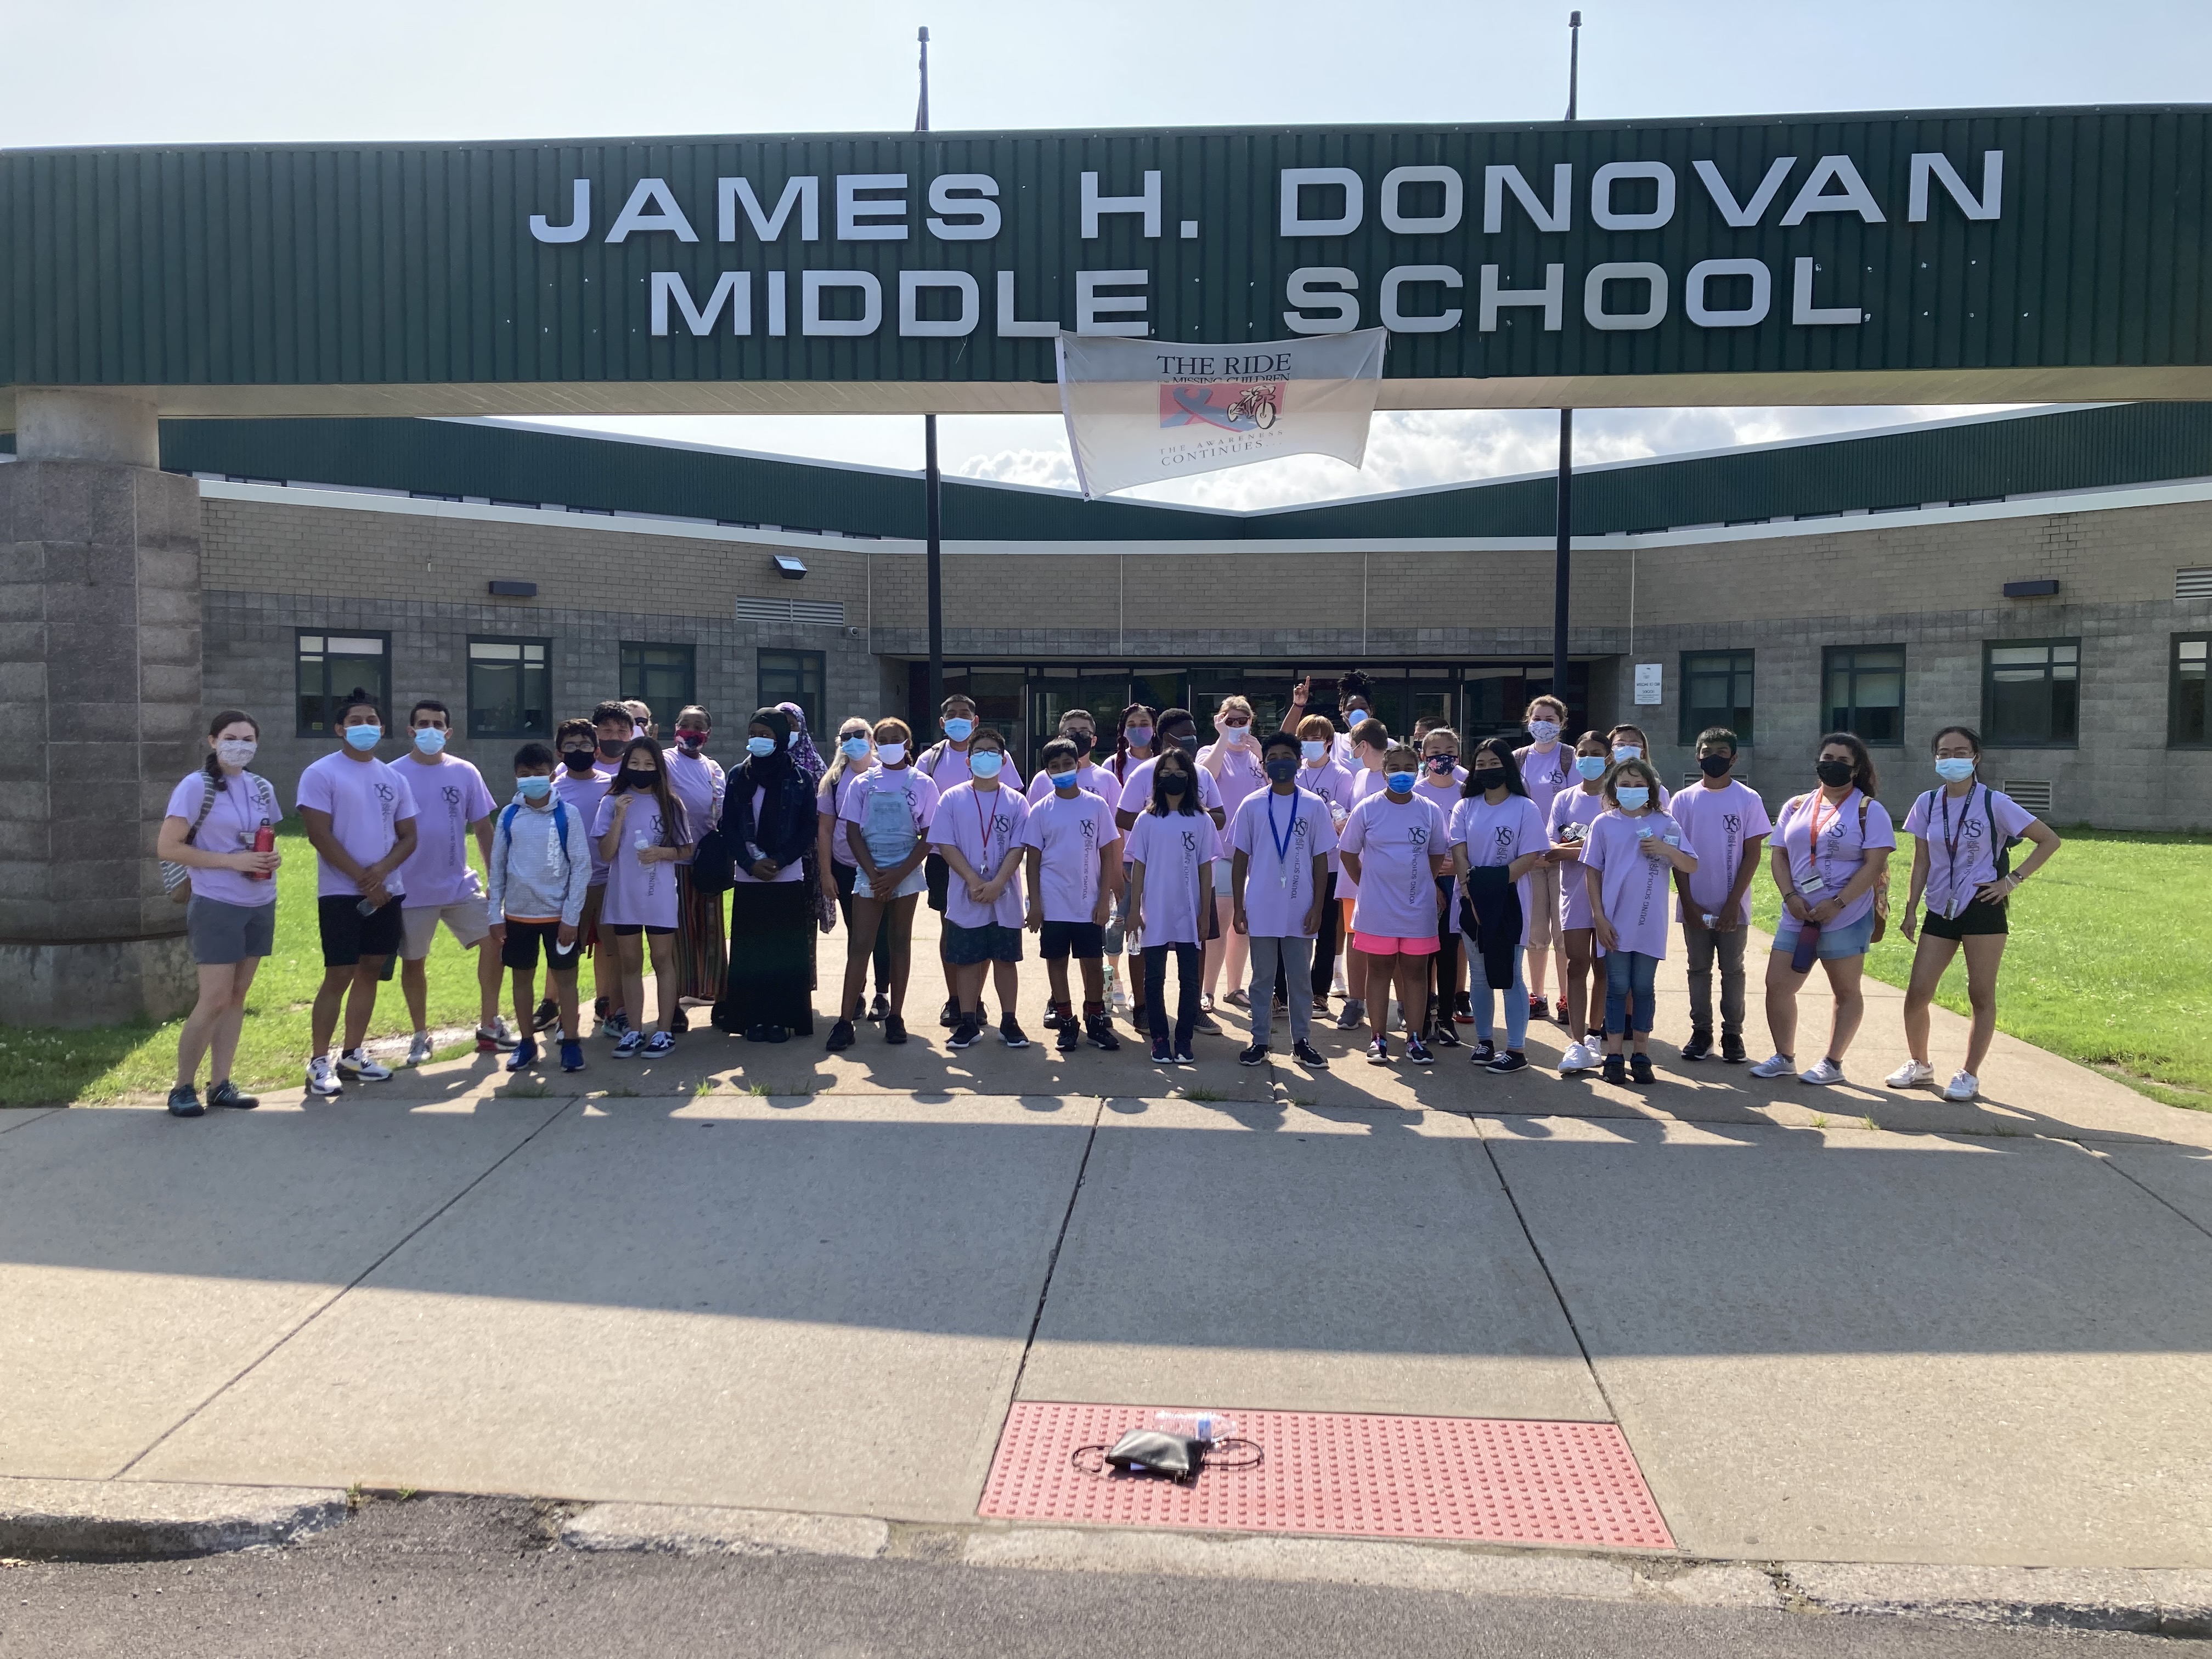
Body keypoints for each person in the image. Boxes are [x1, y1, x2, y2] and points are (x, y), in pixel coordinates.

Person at [1888, 725, 2063, 1102]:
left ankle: (1969, 1074)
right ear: (1935, 759)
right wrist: (1910, 908)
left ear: (1976, 758)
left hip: (1982, 907)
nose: (1953, 759)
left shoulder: (1994, 802)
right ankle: (1920, 1065)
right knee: (1918, 992)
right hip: (1940, 909)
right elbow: (1921, 861)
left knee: (1980, 994)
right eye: (1944, 753)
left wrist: (2011, 881)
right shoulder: (1928, 803)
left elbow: (2049, 839)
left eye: (1961, 752)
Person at [1752, 733, 1897, 1086]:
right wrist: (1790, 897)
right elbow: (1779, 854)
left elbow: (1874, 864)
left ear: (1857, 768)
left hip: (1845, 915)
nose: (1833, 764)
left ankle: (1833, 1062)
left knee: (1845, 990)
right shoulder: (1796, 806)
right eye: (1827, 757)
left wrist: (1838, 903)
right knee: (1777, 984)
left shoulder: (1868, 809)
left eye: (1843, 761)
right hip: (1798, 913)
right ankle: (1784, 1056)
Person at [157, 710, 283, 1116]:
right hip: (216, 902)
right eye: (232, 737)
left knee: (236, 996)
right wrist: (233, 862)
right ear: (213, 741)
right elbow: (169, 847)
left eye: (248, 739)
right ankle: (182, 1087)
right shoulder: (196, 787)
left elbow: (265, 838)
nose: (240, 745)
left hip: (259, 902)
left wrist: (269, 858)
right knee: (213, 998)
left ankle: (222, 1083)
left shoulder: (262, 787)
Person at [297, 695, 419, 1097]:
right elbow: (319, 834)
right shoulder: (321, 773)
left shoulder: (394, 778)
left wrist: (382, 873)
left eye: (371, 720)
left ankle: (352, 1054)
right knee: (339, 973)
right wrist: (363, 880)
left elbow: (409, 836)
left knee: (370, 970)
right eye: (355, 720)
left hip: (388, 893)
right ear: (340, 728)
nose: (364, 725)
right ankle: (318, 1061)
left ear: (382, 729)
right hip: (340, 893)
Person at [393, 698, 509, 1066]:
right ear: (411, 731)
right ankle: (420, 1035)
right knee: (414, 962)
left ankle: (489, 1025)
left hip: (459, 885)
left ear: (449, 731)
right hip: (410, 890)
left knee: (496, 941)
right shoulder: (392, 774)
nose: (431, 730)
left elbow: (483, 827)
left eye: (437, 724)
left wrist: (496, 879)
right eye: (423, 724)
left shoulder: (465, 772)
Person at [1579, 758, 1699, 1086]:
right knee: (1617, 986)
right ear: (1614, 789)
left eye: (1638, 784)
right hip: (1614, 921)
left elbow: (1690, 865)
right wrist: (1598, 917)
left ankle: (1642, 1054)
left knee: (1644, 987)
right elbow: (1592, 871)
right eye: (1625, 785)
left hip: (1650, 921)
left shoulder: (1665, 823)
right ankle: (1614, 1054)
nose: (1632, 790)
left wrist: (1665, 849)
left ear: (1651, 788)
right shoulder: (1604, 824)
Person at [826, 717, 938, 1048]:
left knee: (900, 942)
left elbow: (929, 835)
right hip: (869, 871)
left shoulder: (923, 783)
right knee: (860, 944)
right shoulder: (862, 783)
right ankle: (845, 1021)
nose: (890, 743)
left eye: (896, 738)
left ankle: (896, 1017)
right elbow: (851, 831)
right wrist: (874, 874)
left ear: (908, 743)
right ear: (875, 743)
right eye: (883, 738)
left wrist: (899, 874)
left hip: (906, 871)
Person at [710, 708, 819, 1043]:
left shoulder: (801, 777)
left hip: (787, 876)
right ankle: (752, 1018)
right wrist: (748, 862)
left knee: (784, 951)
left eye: (767, 734)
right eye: (754, 732)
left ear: (782, 739)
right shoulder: (737, 776)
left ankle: (780, 1019)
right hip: (748, 876)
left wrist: (782, 859)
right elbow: (727, 826)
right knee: (751, 951)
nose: (759, 739)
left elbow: (808, 828)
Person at [1338, 742, 1451, 1064]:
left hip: (1418, 909)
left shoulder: (1429, 809)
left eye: (1408, 767)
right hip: (1377, 909)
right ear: (1384, 771)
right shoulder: (1368, 808)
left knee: (1416, 972)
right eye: (1395, 768)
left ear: (1418, 770)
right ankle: (1378, 1038)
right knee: (1379, 971)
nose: (1402, 773)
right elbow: (1348, 852)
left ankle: (1415, 1038)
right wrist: (1367, 883)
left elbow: (1436, 853)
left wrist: (1420, 885)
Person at [1229, 730, 1334, 1068]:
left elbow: (1321, 860)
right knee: (1262, 977)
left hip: (1300, 906)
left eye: (1286, 757)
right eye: (1272, 759)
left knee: (1300, 977)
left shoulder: (1313, 805)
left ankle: (1302, 1041)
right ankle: (1260, 1040)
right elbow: (1240, 858)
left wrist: (1318, 906)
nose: (1279, 764)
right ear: (1263, 765)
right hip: (1260, 904)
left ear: (1299, 759)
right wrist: (1238, 907)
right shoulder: (1253, 803)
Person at [487, 742, 592, 1074]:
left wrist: (571, 918)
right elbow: (498, 867)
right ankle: (527, 1043)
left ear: (552, 774)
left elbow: (581, 867)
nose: (532, 779)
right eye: (524, 775)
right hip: (518, 916)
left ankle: (571, 1043)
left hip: (559, 917)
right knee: (522, 980)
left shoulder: (568, 814)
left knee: (566, 982)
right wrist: (495, 915)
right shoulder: (509, 815)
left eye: (539, 774)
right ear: (516, 777)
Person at [1670, 727, 1773, 1064]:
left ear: (1734, 757)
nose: (1714, 756)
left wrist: (1733, 904)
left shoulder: (1748, 799)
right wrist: (1687, 903)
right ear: (1697, 755)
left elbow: (1752, 855)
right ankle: (1702, 1033)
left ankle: (1733, 1034)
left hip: (1734, 907)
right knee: (1697, 969)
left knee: (1733, 970)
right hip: (1694, 905)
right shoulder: (1683, 801)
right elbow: (1676, 855)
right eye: (1707, 750)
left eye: (1722, 751)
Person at [1449, 738, 1551, 1073]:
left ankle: (1517, 1050)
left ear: (1507, 766)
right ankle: (1484, 1041)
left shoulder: (1525, 808)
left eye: (1495, 763)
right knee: (1479, 975)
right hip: (1469, 899)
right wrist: (1470, 890)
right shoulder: (1465, 807)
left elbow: (1532, 855)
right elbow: (1459, 851)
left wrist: (1495, 884)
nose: (1488, 769)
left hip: (1510, 900)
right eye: (1482, 764)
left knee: (1509, 975)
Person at [1020, 737, 1125, 1053]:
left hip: (1088, 904)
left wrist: (1104, 900)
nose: (1063, 770)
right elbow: (1033, 861)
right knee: (1056, 963)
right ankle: (1067, 1021)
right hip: (1053, 905)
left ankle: (1095, 1018)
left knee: (1092, 963)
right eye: (1055, 767)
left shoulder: (1095, 806)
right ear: (1047, 772)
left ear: (1078, 765)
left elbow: (1108, 855)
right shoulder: (1041, 810)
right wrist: (1035, 905)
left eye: (1068, 764)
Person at [932, 725, 1031, 1051]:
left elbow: (1019, 847)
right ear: (968, 760)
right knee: (968, 961)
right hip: (966, 893)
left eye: (993, 752)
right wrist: (975, 881)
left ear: (1004, 761)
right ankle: (968, 1021)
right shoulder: (952, 798)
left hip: (1005, 896)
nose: (985, 758)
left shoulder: (1017, 801)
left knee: (1005, 960)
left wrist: (998, 882)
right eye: (979, 752)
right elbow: (945, 844)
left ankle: (1010, 1020)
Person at [593, 737, 692, 1056]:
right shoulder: (611, 802)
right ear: (626, 765)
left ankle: (663, 1030)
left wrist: (661, 852)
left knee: (663, 960)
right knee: (630, 962)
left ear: (659, 769)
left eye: (649, 765)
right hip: (624, 898)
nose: (641, 770)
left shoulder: (671, 803)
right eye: (635, 764)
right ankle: (634, 1030)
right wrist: (620, 817)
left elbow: (686, 849)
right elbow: (606, 853)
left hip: (660, 896)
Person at [1124, 747, 1220, 1064]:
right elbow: (1138, 867)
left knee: (1190, 979)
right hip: (1156, 911)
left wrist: (1205, 912)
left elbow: (1206, 868)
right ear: (1157, 780)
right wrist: (1134, 910)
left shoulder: (1201, 820)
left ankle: (1185, 1039)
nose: (1173, 778)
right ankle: (1161, 1038)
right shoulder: (1147, 820)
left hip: (1190, 912)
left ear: (1190, 778)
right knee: (1154, 978)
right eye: (1166, 772)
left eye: (1180, 772)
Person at [1546, 731, 1614, 1074]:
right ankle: (1575, 1041)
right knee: (1577, 964)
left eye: (1596, 752)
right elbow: (1550, 850)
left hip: (1610, 898)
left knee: (1603, 967)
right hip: (1573, 894)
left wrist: (1576, 850)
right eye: (1583, 753)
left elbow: (1618, 852)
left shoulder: (1617, 801)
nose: (1588, 758)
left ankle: (1594, 1035)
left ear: (1608, 757)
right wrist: (1591, 850)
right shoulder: (1564, 799)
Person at [918, 692, 985, 1028]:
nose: (959, 719)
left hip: (986, 858)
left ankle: (977, 999)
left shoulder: (992, 755)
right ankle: (955, 998)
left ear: (975, 721)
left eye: (965, 714)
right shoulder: (929, 760)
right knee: (951, 927)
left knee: (983, 928)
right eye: (952, 715)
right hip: (942, 858)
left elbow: (1011, 798)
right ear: (943, 723)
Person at [820, 718, 894, 1022]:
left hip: (883, 868)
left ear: (871, 738)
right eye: (846, 736)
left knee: (885, 933)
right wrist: (826, 873)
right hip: (846, 866)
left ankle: (882, 993)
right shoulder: (833, 780)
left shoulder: (887, 773)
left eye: (859, 734)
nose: (853, 740)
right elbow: (824, 830)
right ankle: (859, 992)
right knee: (857, 934)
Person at [662, 706, 729, 1034]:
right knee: (677, 936)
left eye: (698, 726)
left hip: (707, 864)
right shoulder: (663, 761)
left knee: (711, 932)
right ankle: (673, 1004)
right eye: (684, 724)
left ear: (708, 733)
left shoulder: (714, 769)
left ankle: (719, 1000)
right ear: (675, 728)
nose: (691, 731)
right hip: (672, 861)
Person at [1199, 696, 1267, 1014]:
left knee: (1245, 924)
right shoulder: (1209, 752)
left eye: (1243, 720)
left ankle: (1234, 988)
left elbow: (1277, 789)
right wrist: (1223, 738)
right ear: (1220, 721)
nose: (1238, 725)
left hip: (1256, 852)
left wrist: (1262, 757)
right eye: (1231, 720)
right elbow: (1206, 778)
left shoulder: (1258, 756)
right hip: (1222, 852)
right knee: (1222, 920)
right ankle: (1207, 991)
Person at [552, 718, 618, 1039]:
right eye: (572, 746)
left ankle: (614, 1012)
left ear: (597, 748)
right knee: (567, 953)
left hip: (608, 881)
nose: (580, 750)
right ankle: (567, 1020)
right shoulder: (553, 790)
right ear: (560, 751)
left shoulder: (611, 784)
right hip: (569, 887)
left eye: (586, 744)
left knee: (613, 949)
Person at [1514, 696, 1577, 1025]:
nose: (1544, 724)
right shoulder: (1517, 759)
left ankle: (1567, 997)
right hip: (1530, 858)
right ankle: (1537, 996)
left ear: (1562, 723)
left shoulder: (1572, 760)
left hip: (1564, 857)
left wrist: (1559, 846)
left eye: (1551, 719)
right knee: (1536, 931)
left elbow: (1579, 808)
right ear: (1528, 720)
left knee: (1564, 930)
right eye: (1538, 718)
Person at [1332, 715, 1392, 1031]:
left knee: (1393, 940)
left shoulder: (1392, 776)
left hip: (1389, 876)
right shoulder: (1359, 777)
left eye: (1353, 746)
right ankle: (1356, 1002)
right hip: (1354, 874)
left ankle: (1406, 1006)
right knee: (1355, 938)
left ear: (1363, 745)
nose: (1351, 751)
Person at [584, 700, 640, 1036]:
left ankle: (612, 1007)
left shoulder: (635, 771)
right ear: (595, 732)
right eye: (607, 730)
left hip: (619, 876)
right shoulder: (569, 771)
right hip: (577, 877)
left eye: (622, 730)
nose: (615, 736)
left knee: (614, 947)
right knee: (570, 944)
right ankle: (560, 1010)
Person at [1295, 713, 1356, 1017]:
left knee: (1328, 928)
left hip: (1330, 862)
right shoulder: (1294, 772)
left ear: (1329, 742)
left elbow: (1346, 820)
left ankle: (1320, 991)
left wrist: (1337, 819)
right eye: (1304, 738)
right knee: (1292, 925)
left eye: (1315, 738)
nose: (1309, 745)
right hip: (1296, 862)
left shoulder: (1342, 776)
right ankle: (1288, 991)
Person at [1102, 703, 1158, 1020]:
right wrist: (1117, 862)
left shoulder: (1165, 764)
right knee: (1115, 924)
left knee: (1143, 926)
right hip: (1122, 860)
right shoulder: (1112, 767)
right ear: (1123, 731)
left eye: (1145, 723)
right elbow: (1112, 819)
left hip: (1157, 861)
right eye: (1133, 724)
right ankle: (1114, 981)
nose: (1139, 729)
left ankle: (1142, 992)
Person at [1413, 725, 1468, 1048]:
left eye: (1448, 752)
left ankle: (1446, 1018)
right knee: (1422, 956)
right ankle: (1420, 1019)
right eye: (1434, 753)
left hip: (1458, 884)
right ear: (1424, 757)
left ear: (1458, 756)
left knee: (1449, 953)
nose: (1441, 758)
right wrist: (1430, 877)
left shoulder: (1467, 792)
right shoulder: (1417, 793)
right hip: (1423, 884)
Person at [1025, 707, 1115, 805]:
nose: (1078, 737)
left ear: (1093, 741)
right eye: (1071, 733)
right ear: (1061, 739)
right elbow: (1033, 816)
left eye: (1084, 733)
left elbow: (1114, 819)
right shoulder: (1042, 779)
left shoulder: (1108, 779)